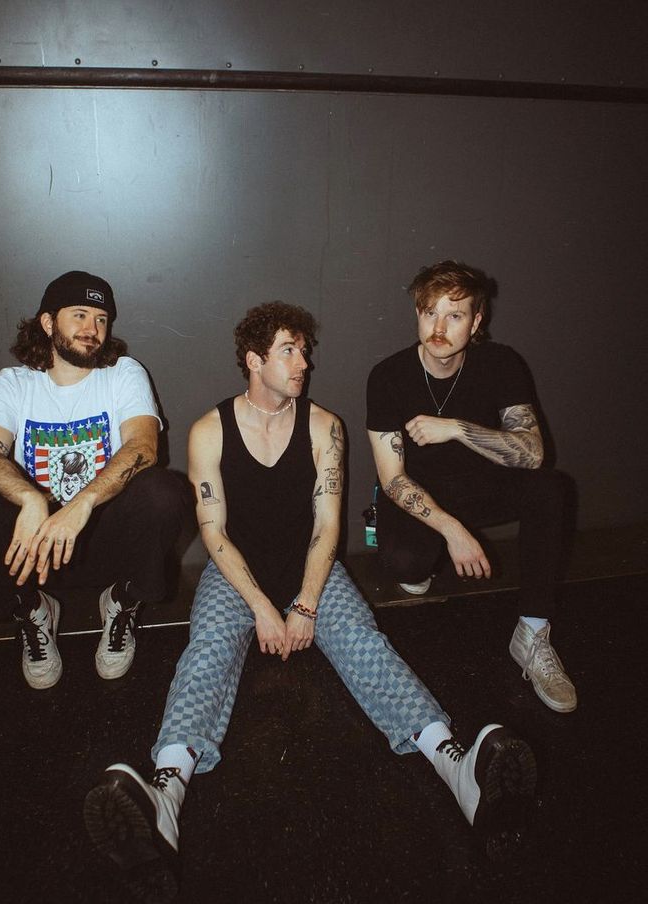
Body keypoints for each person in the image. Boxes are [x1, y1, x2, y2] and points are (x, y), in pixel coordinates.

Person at [84, 302, 537, 894]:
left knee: (362, 642)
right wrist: (264, 609)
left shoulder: (325, 427)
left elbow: (327, 528)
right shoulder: (208, 430)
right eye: (289, 351)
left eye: (304, 350)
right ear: (254, 360)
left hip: (309, 568)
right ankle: (165, 792)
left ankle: (456, 766)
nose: (305, 362)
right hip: (236, 572)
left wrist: (303, 602)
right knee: (209, 649)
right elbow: (214, 534)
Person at [0, 270, 185, 689]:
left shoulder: (123, 373)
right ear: (48, 322)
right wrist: (32, 499)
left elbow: (143, 448)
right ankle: (32, 609)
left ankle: (122, 601)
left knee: (165, 491)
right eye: (79, 315)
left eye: (101, 319)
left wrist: (82, 504)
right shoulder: (12, 383)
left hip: (104, 542)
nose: (92, 329)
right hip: (35, 553)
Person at [366, 260, 576, 714]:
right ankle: (425, 556)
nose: (438, 327)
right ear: (417, 314)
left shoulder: (501, 363)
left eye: (455, 315)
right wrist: (453, 531)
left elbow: (533, 453)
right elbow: (392, 479)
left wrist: (458, 428)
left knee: (550, 488)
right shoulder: (388, 376)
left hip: (481, 487)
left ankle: (533, 633)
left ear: (477, 321)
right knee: (407, 567)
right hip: (421, 496)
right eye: (429, 313)